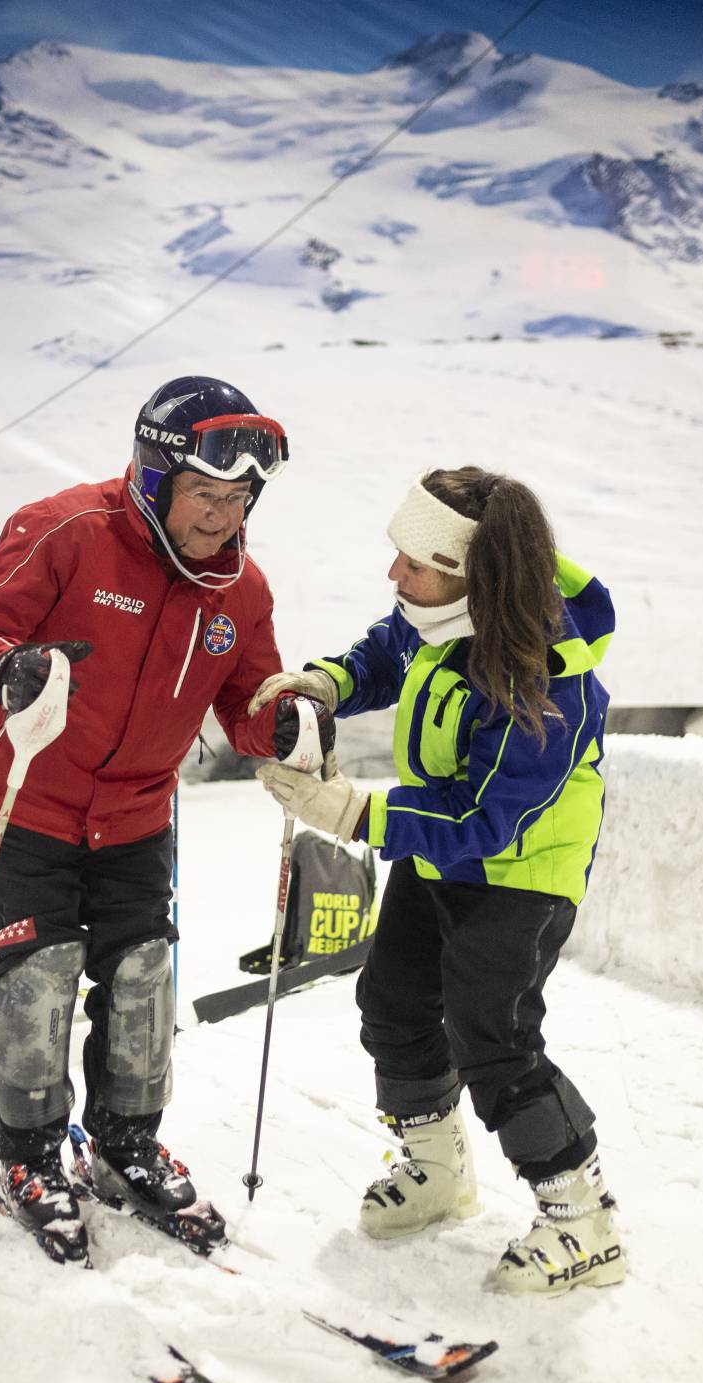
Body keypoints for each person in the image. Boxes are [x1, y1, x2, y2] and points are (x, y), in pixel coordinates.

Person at [0, 375, 328, 1264]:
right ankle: (30, 1156)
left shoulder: (240, 589)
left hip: (137, 816)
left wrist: (285, 722)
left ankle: (124, 1145)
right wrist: (8, 669)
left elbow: (247, 701)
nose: (222, 517)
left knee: (144, 976)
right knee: (40, 977)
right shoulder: (67, 530)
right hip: (22, 798)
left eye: (239, 500)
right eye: (204, 494)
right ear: (156, 480)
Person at [252, 466, 625, 1296]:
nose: (396, 576)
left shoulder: (548, 676)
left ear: (472, 573)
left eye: (413, 563)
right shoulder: (440, 612)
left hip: (520, 875)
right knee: (392, 1001)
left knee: (491, 1032)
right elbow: (386, 652)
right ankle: (438, 1173)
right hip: (438, 858)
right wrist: (326, 684)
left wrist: (351, 813)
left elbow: (484, 817)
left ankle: (583, 1220)